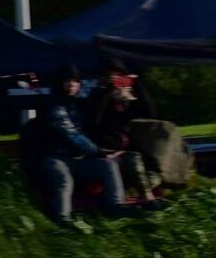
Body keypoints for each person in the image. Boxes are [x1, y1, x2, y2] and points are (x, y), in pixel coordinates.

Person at [18, 67, 131, 226]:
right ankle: (63, 219)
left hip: (78, 160)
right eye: (68, 81)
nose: (72, 85)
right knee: (64, 179)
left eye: (76, 81)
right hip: (54, 159)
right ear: (60, 83)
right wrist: (98, 152)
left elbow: (94, 124)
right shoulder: (53, 106)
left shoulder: (77, 105)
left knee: (108, 166)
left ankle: (116, 207)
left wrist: (111, 97)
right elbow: (71, 134)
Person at [85, 59, 163, 199]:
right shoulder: (97, 96)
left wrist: (137, 86)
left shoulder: (127, 99)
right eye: (112, 76)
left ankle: (132, 190)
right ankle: (147, 196)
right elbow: (94, 123)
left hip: (129, 148)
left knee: (155, 173)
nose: (116, 80)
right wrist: (108, 94)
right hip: (108, 149)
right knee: (133, 159)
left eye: (119, 76)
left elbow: (150, 115)